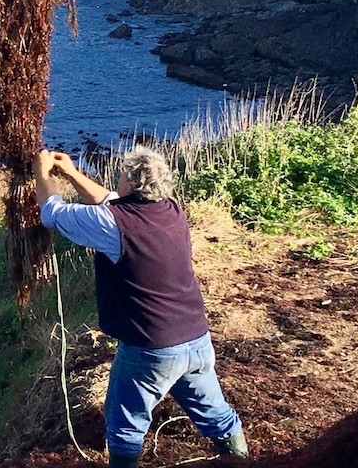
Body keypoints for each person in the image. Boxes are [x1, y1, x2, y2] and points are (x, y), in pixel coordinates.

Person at [33, 146, 248, 468]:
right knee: (217, 415)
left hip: (150, 348)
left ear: (132, 184)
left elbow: (51, 213)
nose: (116, 179)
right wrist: (73, 174)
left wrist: (42, 172)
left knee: (125, 428)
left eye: (121, 174)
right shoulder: (172, 211)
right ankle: (243, 461)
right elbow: (108, 201)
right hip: (196, 338)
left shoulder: (113, 225)